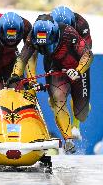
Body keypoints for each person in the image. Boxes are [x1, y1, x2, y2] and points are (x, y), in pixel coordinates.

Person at [8, 18, 93, 153]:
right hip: (57, 67)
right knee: (58, 98)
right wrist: (15, 74)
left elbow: (88, 55)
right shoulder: (33, 36)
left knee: (81, 114)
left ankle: (81, 108)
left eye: (46, 44)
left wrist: (78, 70)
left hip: (77, 68)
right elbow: (23, 58)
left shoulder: (68, 33)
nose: (44, 48)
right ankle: (68, 140)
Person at [50, 6, 92, 140]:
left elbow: (87, 51)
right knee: (54, 100)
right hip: (57, 59)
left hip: (76, 60)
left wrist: (77, 69)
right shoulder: (47, 23)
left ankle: (76, 127)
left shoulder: (81, 24)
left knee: (82, 109)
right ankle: (67, 136)